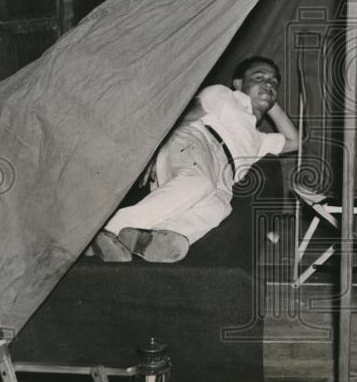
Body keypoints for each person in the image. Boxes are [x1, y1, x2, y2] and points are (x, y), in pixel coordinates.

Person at [94, 56, 299, 263]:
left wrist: (269, 100)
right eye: (259, 77)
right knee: (199, 182)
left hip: (225, 175)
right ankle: (109, 229)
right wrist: (153, 150)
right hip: (198, 141)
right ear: (238, 83)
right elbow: (181, 118)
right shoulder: (224, 95)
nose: (268, 83)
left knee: (219, 208)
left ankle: (147, 238)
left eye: (273, 81)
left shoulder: (259, 139)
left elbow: (295, 141)